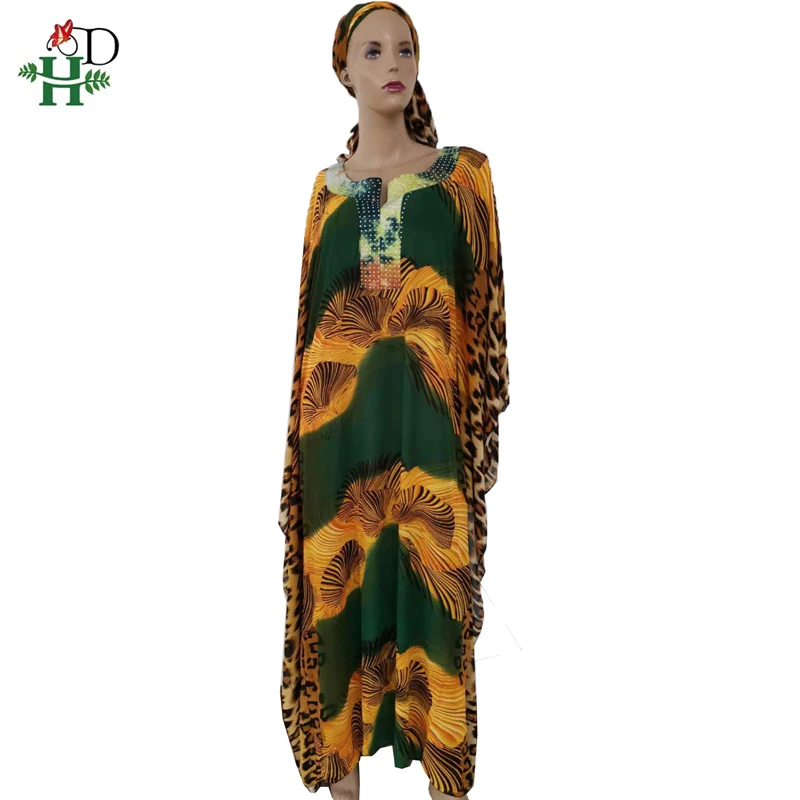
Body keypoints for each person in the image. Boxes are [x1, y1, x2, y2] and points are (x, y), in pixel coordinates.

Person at [278, 3, 510, 798]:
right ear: (343, 70)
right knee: (338, 612)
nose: (393, 63)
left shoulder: (465, 177)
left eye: (405, 49)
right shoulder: (325, 193)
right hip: (336, 446)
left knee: (437, 610)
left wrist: (475, 432)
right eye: (373, 51)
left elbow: (486, 316)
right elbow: (308, 332)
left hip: (430, 443)